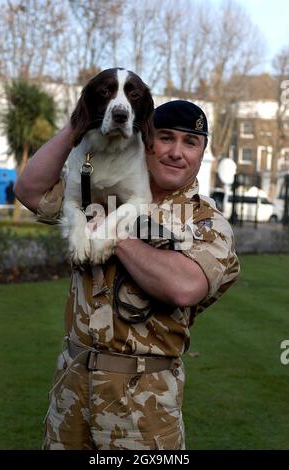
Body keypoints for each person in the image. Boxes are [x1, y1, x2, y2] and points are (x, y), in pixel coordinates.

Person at [14, 99, 240, 450]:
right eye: (165, 138)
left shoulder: (205, 222)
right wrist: (78, 125)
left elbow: (184, 286)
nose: (176, 152)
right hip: (71, 391)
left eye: (190, 142)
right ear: (145, 140)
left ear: (201, 153)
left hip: (143, 408)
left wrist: (114, 233)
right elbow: (29, 190)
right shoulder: (102, 189)